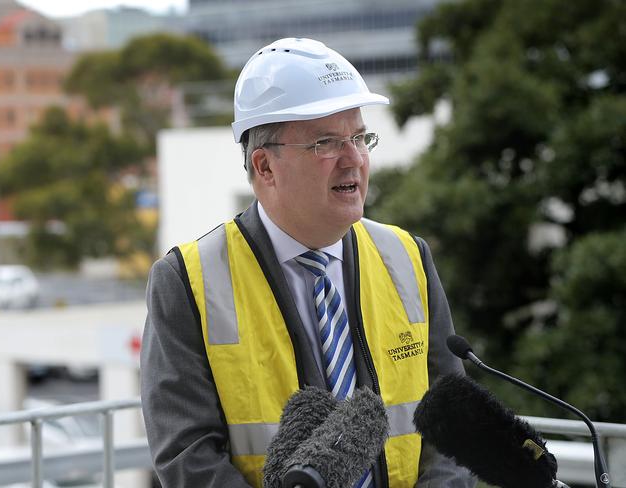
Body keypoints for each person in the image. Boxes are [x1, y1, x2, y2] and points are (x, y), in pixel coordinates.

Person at [141, 38, 475, 487]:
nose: (354, 159)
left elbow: (453, 422)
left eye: (359, 137)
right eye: (326, 143)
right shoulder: (187, 281)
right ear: (264, 167)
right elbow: (188, 457)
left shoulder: (407, 257)